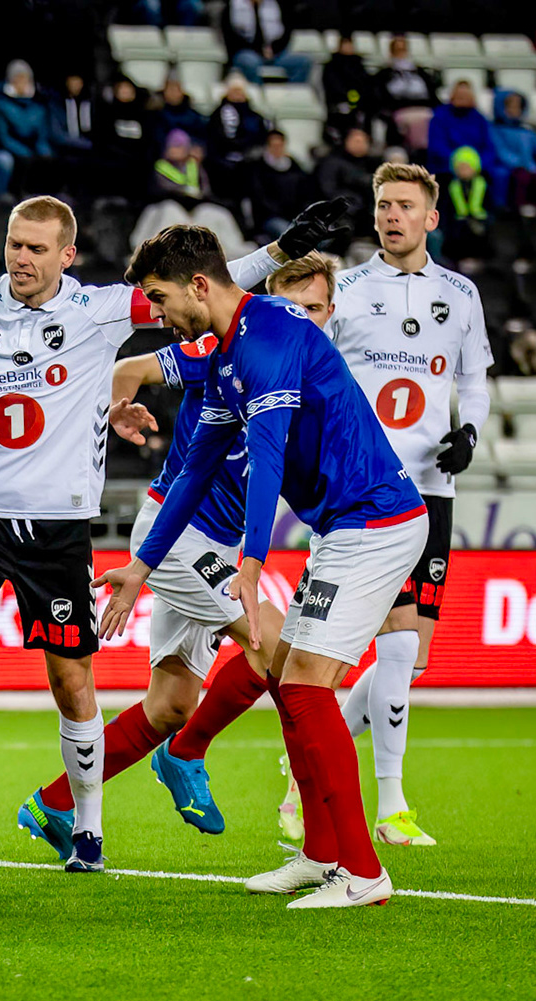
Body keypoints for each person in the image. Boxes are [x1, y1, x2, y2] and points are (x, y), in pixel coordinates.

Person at [0, 197, 338, 872]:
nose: (21, 259)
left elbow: (205, 283)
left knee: (74, 683)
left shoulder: (101, 310)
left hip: (58, 531)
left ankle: (88, 831)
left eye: (36, 248)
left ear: (67, 255)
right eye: (14, 244)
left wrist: (280, 251)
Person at [101, 223, 428, 909]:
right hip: (344, 527)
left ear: (198, 284)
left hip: (377, 521)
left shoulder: (272, 333)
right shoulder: (225, 355)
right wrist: (141, 563)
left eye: (160, 299)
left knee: (305, 684)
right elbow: (194, 469)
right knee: (295, 677)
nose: (158, 316)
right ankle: (320, 853)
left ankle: (363, 874)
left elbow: (270, 453)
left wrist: (252, 557)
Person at [18, 249, 341, 862]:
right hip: (177, 534)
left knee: (168, 705)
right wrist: (119, 410)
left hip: (218, 545)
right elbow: (130, 368)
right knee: (279, 646)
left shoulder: (320, 375)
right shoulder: (212, 350)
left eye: (315, 308)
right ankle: (294, 815)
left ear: (331, 313)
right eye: (291, 305)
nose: (302, 316)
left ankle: (54, 802)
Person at [305, 161, 492, 851]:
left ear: (430, 218)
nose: (392, 215)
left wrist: (469, 432)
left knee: (407, 660)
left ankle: (303, 776)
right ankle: (392, 802)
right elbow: (316, 370)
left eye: (405, 205)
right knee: (396, 644)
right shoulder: (347, 290)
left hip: (433, 486)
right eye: (385, 204)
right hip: (366, 490)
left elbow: (473, 382)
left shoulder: (461, 295)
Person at [0, 60, 59, 194]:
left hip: (32, 146)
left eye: (25, 78)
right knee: (22, 161)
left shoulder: (38, 105)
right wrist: (24, 151)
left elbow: (42, 134)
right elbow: (3, 136)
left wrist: (43, 149)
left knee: (48, 159)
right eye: (18, 78)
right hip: (10, 147)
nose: (22, 82)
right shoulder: (0, 105)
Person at [489, 90, 536, 210]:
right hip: (509, 167)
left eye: (518, 107)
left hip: (531, 168)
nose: (514, 110)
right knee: (520, 178)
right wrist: (520, 165)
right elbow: (501, 152)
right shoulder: (495, 130)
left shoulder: (527, 132)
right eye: (510, 107)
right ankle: (516, 211)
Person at [249, 129, 315, 241]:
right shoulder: (258, 169)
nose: (277, 149)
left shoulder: (294, 167)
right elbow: (259, 198)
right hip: (270, 218)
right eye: (274, 145)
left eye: (280, 145)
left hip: (296, 216)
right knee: (288, 234)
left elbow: (305, 192)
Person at [223, 0, 309, 84]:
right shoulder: (233, 5)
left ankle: (289, 96)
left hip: (274, 53)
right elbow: (230, 37)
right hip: (246, 51)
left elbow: (286, 32)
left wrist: (274, 49)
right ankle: (258, 95)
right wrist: (259, 50)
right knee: (250, 62)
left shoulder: (276, 4)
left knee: (303, 62)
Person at [377, 36, 438, 150]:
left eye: (403, 50)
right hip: (398, 111)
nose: (401, 54)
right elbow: (380, 97)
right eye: (397, 50)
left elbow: (432, 96)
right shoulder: (384, 74)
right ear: (391, 52)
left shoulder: (420, 72)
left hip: (423, 109)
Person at [426, 81, 495, 176]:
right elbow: (437, 146)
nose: (462, 98)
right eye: (459, 95)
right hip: (447, 166)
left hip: (476, 167)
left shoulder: (480, 119)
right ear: (452, 96)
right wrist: (459, 162)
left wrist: (476, 164)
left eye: (465, 95)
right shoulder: (440, 117)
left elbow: (489, 147)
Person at [206, 77, 270, 178]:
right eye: (234, 90)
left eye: (240, 90)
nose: (237, 94)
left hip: (250, 159)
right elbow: (216, 138)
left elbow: (262, 137)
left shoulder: (255, 117)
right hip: (224, 160)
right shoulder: (218, 114)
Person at [316, 127, 376, 233]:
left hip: (365, 213)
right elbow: (328, 190)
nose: (360, 145)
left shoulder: (372, 163)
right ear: (346, 141)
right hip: (342, 213)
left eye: (364, 141)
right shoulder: (332, 162)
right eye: (356, 141)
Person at [322, 35, 375, 142]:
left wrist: (358, 99)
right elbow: (332, 86)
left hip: (359, 104)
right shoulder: (331, 66)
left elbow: (365, 85)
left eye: (350, 45)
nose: (348, 47)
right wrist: (346, 97)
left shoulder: (359, 65)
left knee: (367, 112)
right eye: (345, 45)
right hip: (338, 103)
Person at [155, 77, 209, 145]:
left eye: (176, 90)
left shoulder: (194, 117)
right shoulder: (157, 116)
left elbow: (200, 139)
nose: (173, 93)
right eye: (170, 90)